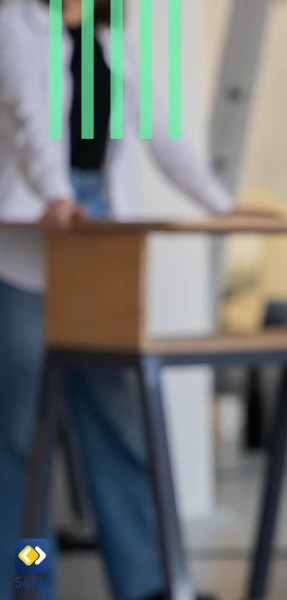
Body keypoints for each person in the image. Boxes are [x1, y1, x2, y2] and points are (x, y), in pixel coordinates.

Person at [0, 0, 239, 598]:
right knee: (21, 437)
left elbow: (163, 134)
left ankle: (148, 583)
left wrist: (224, 205)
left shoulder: (113, 45)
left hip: (102, 244)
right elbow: (28, 114)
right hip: (30, 246)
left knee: (121, 421)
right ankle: (27, 580)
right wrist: (56, 194)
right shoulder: (13, 25)